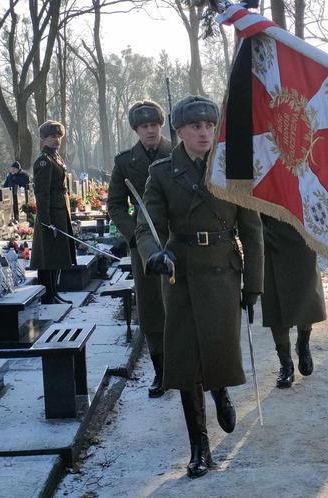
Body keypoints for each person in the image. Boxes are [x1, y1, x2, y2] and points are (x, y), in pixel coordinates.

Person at [136, 96, 264, 479]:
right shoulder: (161, 173)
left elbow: (252, 230)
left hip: (224, 270)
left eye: (210, 125)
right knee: (187, 361)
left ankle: (220, 388)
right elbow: (148, 226)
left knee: (220, 350)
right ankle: (199, 447)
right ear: (179, 131)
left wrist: (254, 285)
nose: (205, 132)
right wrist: (154, 255)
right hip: (181, 273)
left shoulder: (231, 169)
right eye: (195, 126)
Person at [107, 99, 172, 398]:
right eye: (144, 126)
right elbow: (116, 205)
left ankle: (183, 367)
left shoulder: (178, 153)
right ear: (136, 129)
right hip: (144, 242)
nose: (150, 131)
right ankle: (161, 372)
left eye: (155, 125)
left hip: (176, 237)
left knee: (181, 303)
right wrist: (134, 236)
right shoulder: (124, 162)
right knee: (151, 307)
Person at [260, 214, 326, 388]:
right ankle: (285, 364)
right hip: (270, 237)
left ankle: (303, 344)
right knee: (275, 304)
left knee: (306, 296)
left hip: (302, 233)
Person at [31, 120, 76, 305]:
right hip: (49, 215)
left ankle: (54, 292)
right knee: (47, 257)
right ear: (43, 139)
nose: (56, 140)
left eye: (58, 136)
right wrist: (46, 220)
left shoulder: (56, 158)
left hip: (59, 212)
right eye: (51, 136)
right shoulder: (44, 161)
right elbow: (42, 193)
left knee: (57, 255)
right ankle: (47, 295)